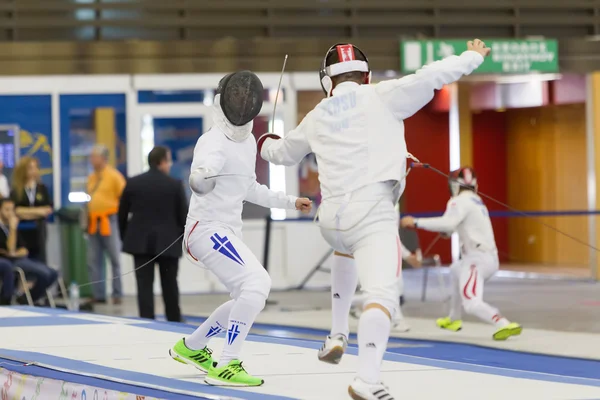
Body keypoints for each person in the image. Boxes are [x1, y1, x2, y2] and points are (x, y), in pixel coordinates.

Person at [259, 40, 489, 399]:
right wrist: (473, 56)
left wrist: (265, 141)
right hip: (371, 214)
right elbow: (434, 75)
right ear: (365, 76)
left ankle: (337, 333)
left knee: (346, 249)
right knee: (383, 296)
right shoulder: (383, 95)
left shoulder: (318, 113)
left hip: (332, 222)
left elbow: (280, 153)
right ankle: (367, 379)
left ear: (327, 82)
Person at [168, 70, 312, 387]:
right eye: (237, 97)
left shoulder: (246, 142)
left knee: (245, 294)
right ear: (224, 101)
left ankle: (191, 346)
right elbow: (204, 171)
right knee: (257, 282)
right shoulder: (211, 141)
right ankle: (227, 363)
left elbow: (250, 188)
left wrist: (291, 201)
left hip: (227, 230)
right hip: (206, 229)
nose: (242, 102)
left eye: (246, 98)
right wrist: (200, 178)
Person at [401, 167, 522, 341]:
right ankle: (453, 319)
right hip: (484, 258)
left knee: (471, 303)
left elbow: (447, 223)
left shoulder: (458, 201)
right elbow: (456, 226)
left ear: (454, 185)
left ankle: (503, 323)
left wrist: (416, 222)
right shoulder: (476, 201)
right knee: (455, 270)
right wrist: (448, 231)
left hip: (477, 260)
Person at [118, 146, 187, 322]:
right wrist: (180, 236)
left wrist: (126, 236)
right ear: (162, 162)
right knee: (170, 285)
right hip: (168, 243)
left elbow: (122, 214)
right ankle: (174, 320)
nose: (169, 165)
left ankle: (147, 322)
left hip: (140, 244)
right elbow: (184, 216)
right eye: (168, 160)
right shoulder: (174, 185)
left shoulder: (133, 183)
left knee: (144, 287)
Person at [86, 144, 126, 305]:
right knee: (93, 260)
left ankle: (117, 293)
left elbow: (124, 197)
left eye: (94, 156)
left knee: (114, 258)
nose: (91, 160)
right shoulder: (91, 177)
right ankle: (99, 294)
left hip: (109, 220)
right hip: (94, 222)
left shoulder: (114, 176)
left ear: (103, 158)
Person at [0, 198, 57, 304]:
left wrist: (14, 253)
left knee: (52, 273)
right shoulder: (9, 227)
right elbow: (10, 248)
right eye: (7, 210)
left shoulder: (12, 227)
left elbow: (24, 250)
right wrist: (12, 229)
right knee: (44, 273)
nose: (10, 214)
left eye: (12, 210)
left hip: (19, 258)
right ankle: (5, 301)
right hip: (9, 261)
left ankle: (27, 298)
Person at [11, 157, 53, 263]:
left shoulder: (42, 188)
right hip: (21, 230)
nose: (33, 171)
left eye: (35, 168)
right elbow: (16, 211)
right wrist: (38, 212)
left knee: (40, 258)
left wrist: (25, 212)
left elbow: (47, 210)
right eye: (30, 168)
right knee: (24, 258)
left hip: (39, 229)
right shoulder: (16, 190)